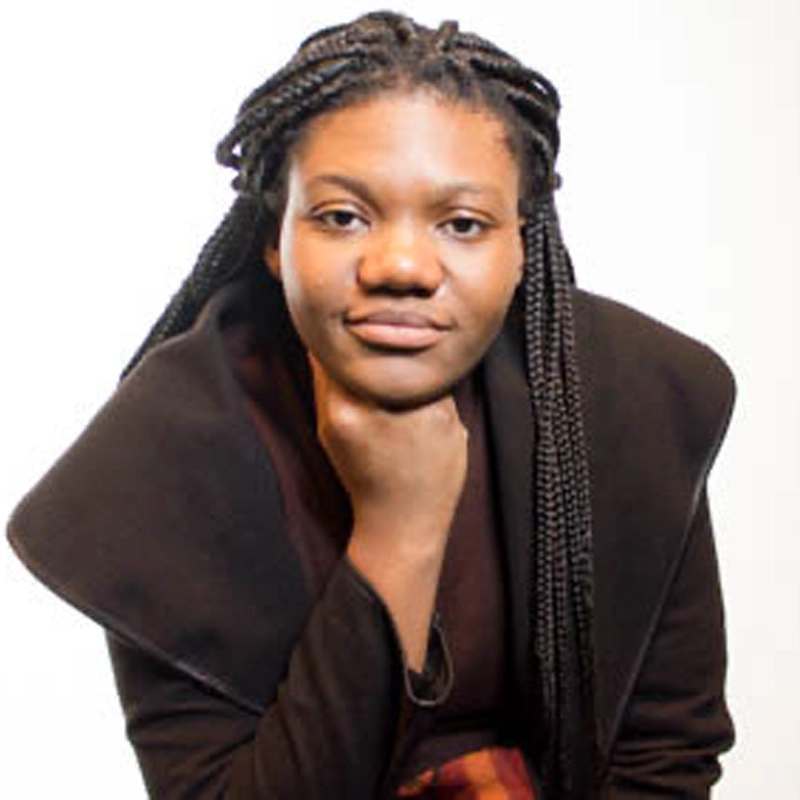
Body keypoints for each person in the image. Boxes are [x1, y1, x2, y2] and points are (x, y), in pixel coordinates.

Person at [6, 10, 735, 799]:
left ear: (522, 244)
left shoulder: (634, 401)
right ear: (275, 236)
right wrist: (398, 528)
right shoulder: (154, 465)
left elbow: (666, 757)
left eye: (462, 223)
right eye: (343, 216)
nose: (400, 265)